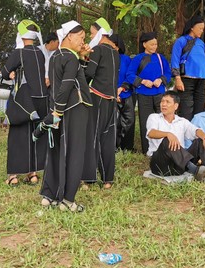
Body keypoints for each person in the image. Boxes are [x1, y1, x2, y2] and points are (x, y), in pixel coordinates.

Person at [40, 20, 92, 212]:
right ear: (69, 35)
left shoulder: (56, 56)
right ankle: (68, 199)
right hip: (74, 108)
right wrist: (58, 111)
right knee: (74, 152)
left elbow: (60, 85)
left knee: (57, 150)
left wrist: (82, 57)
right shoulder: (70, 58)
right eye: (81, 37)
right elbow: (67, 85)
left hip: (61, 108)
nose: (83, 42)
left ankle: (50, 195)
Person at [1, 21, 48, 185]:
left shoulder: (19, 53)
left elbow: (5, 73)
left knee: (17, 136)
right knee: (36, 135)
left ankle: (13, 176)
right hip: (42, 100)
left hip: (23, 101)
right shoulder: (40, 53)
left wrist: (12, 72)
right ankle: (33, 174)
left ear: (21, 35)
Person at [146, 90, 205, 179]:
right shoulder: (154, 117)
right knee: (167, 140)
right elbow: (151, 133)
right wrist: (168, 134)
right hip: (160, 164)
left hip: (179, 165)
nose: (163, 104)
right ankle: (194, 170)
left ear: (176, 106)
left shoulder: (182, 121)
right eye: (162, 101)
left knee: (201, 141)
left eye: (167, 102)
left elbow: (196, 130)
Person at [82, 18, 120, 188]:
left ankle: (89, 179)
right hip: (111, 100)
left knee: (92, 137)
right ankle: (107, 179)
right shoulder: (115, 52)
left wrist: (80, 65)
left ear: (100, 33)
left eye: (91, 33)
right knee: (107, 138)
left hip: (97, 97)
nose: (91, 36)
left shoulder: (98, 50)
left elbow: (90, 73)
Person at [170, 15, 205, 121]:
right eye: (200, 28)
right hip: (186, 79)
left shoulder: (201, 43)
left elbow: (200, 62)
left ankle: (197, 135)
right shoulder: (181, 41)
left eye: (203, 29)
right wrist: (178, 78)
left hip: (201, 79)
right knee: (186, 109)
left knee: (199, 109)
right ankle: (185, 134)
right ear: (192, 28)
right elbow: (174, 60)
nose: (201, 31)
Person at [125, 32, 170, 154]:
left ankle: (164, 146)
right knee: (145, 121)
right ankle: (147, 149)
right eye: (151, 44)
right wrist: (143, 81)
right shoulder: (138, 59)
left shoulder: (161, 58)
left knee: (164, 119)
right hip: (143, 94)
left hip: (160, 93)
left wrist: (160, 80)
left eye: (155, 44)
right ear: (144, 44)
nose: (154, 46)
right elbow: (129, 75)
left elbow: (168, 73)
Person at [111, 33, 136, 151]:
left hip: (126, 93)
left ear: (117, 46)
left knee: (129, 121)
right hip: (111, 94)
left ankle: (127, 148)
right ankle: (114, 147)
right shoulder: (106, 59)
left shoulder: (126, 59)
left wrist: (122, 88)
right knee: (114, 122)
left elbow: (130, 75)